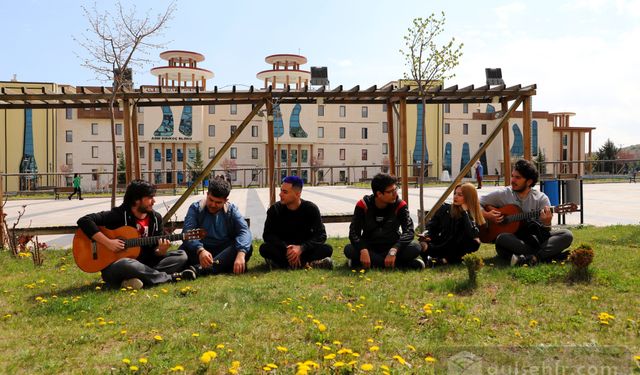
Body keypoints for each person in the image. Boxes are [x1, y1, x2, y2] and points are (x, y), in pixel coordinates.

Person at [77, 180, 195, 290]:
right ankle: (170, 278)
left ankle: (136, 280)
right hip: (120, 266)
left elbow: (154, 251)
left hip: (146, 264)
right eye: (150, 198)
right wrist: (108, 243)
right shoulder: (118, 215)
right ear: (136, 200)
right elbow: (84, 221)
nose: (154, 201)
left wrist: (160, 251)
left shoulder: (156, 218)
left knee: (181, 255)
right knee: (126, 264)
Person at [480, 159, 573, 266]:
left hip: (534, 239)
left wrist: (547, 223)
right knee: (502, 238)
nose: (512, 180)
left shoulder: (541, 199)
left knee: (566, 234)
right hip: (516, 240)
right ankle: (548, 256)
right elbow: (476, 202)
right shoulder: (503, 194)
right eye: (512, 176)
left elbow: (544, 233)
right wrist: (487, 215)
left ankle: (532, 258)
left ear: (529, 182)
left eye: (517, 177)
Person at [344, 173, 424, 270]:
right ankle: (403, 264)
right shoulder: (363, 205)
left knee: (415, 247)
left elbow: (409, 231)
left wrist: (394, 250)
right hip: (370, 248)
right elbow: (354, 233)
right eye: (391, 191)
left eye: (396, 189)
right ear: (379, 194)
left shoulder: (400, 205)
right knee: (349, 249)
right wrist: (363, 249)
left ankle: (360, 263)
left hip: (392, 247)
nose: (395, 194)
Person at [180, 177, 252, 275]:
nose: (213, 205)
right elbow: (187, 232)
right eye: (211, 200)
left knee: (246, 248)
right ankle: (221, 266)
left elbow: (244, 231)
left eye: (218, 202)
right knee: (184, 251)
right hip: (200, 249)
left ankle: (201, 269)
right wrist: (200, 250)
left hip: (223, 250)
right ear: (207, 194)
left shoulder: (231, 210)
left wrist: (241, 253)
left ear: (225, 200)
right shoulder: (195, 208)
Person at [260, 175, 333, 269]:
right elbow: (267, 235)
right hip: (283, 249)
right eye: (281, 190)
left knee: (327, 249)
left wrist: (301, 248)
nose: (280, 194)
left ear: (297, 194)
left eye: (285, 192)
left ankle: (281, 264)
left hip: (304, 249)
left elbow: (321, 235)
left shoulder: (311, 209)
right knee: (264, 248)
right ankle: (307, 264)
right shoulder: (275, 210)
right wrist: (287, 249)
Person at [419, 183, 485, 265]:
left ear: (469, 198)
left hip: (457, 248)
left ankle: (444, 260)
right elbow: (432, 226)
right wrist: (427, 235)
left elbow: (472, 234)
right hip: (442, 244)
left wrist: (464, 213)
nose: (455, 196)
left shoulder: (472, 214)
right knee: (422, 244)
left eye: (460, 195)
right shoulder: (445, 208)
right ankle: (440, 260)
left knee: (475, 242)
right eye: (455, 193)